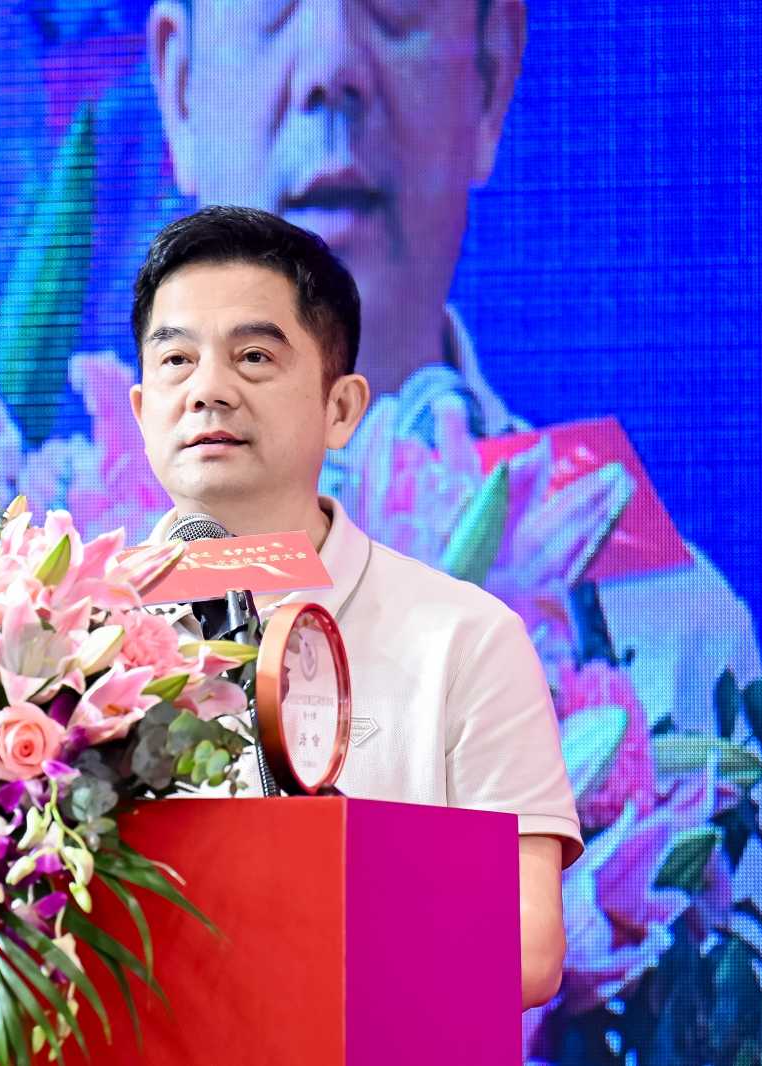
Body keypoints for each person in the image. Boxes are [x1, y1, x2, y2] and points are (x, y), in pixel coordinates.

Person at [140, 0, 762, 928]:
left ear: (490, 74)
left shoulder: (656, 616)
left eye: (391, 7)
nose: (331, 67)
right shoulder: (46, 612)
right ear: (180, 84)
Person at [128, 204, 576, 1008]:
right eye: (176, 361)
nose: (208, 391)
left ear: (341, 409)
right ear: (140, 410)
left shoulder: (465, 638)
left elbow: (526, 945)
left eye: (254, 357)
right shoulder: (63, 638)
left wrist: (272, 945)